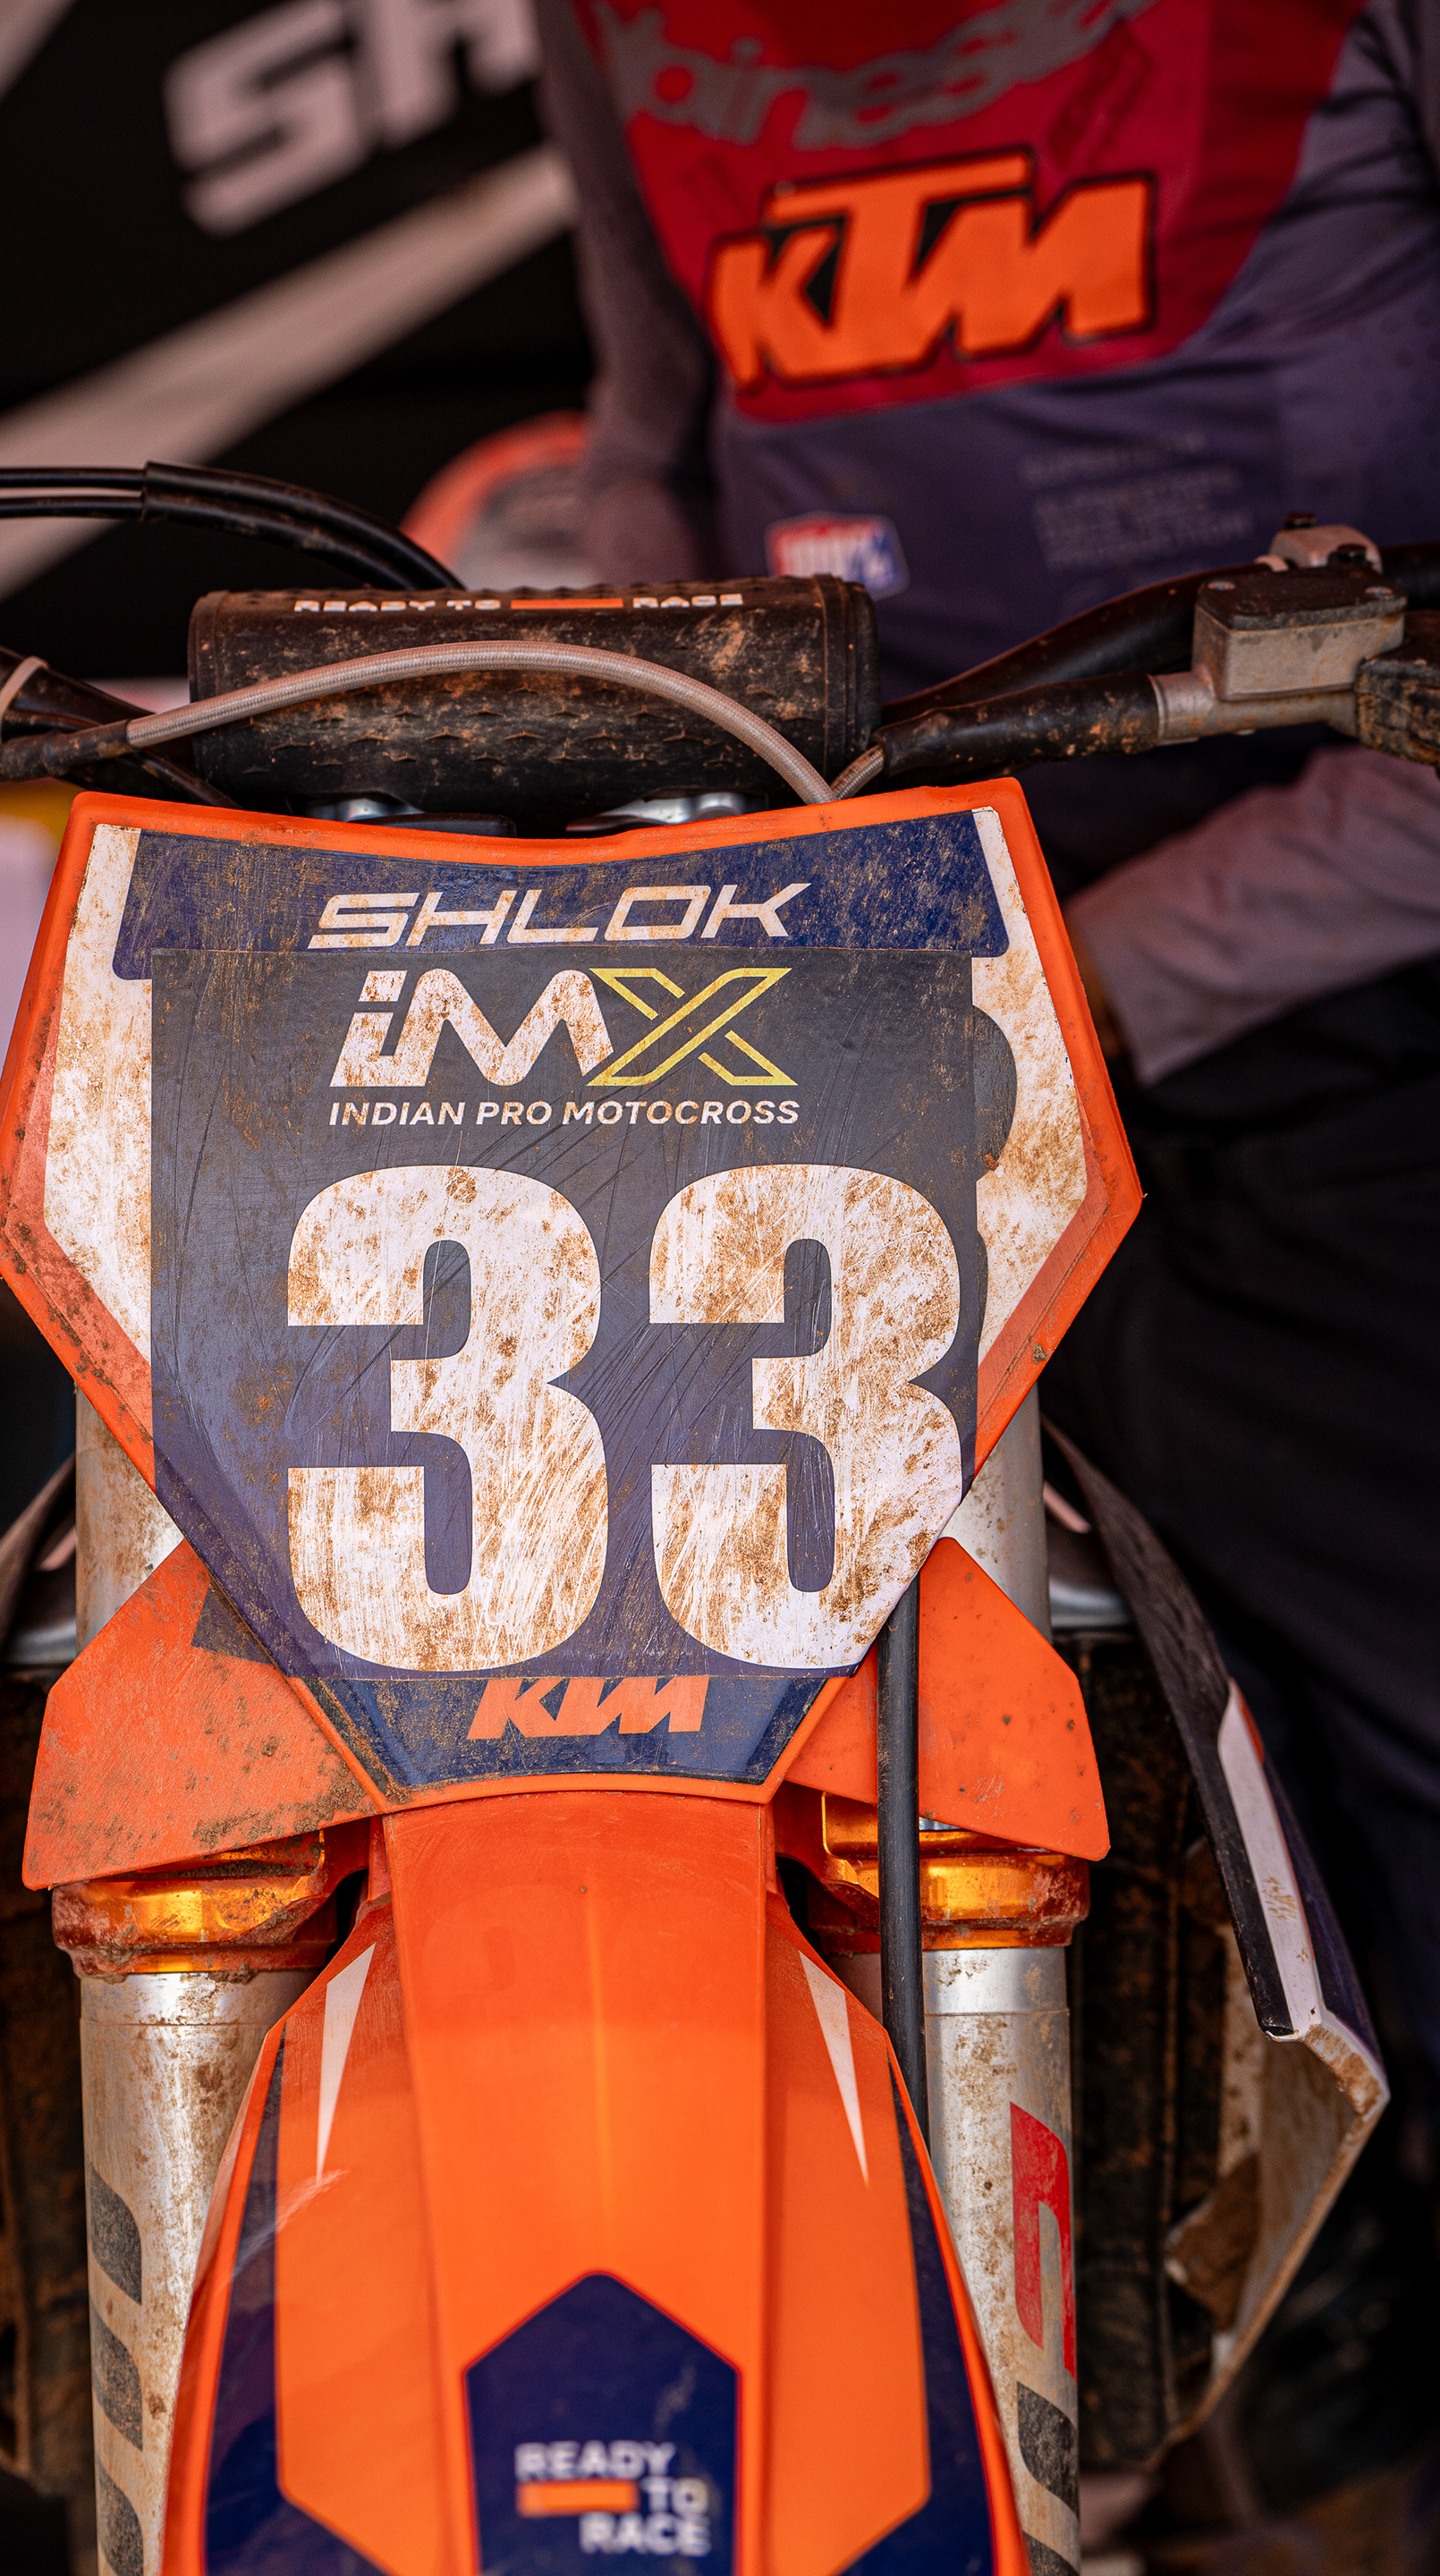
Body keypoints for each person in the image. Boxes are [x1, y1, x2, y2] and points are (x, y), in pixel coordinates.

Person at [535, 0, 1440, 2554]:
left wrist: (1062, 990)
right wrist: (601, 796)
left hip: (1343, 1045)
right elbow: (661, 447)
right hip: (890, 1044)